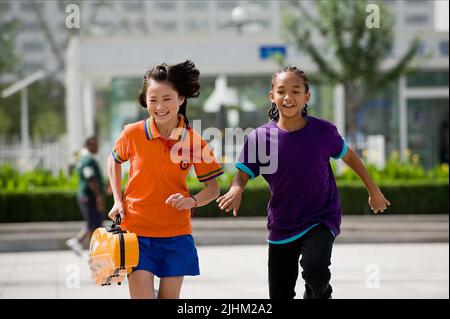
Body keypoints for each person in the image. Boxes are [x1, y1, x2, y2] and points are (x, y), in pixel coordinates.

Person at [217, 66, 390, 299]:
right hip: (282, 223)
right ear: (272, 96)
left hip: (320, 217)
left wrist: (374, 191)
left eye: (296, 91)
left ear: (307, 96)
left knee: (316, 273)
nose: (288, 97)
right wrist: (237, 188)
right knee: (279, 293)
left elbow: (349, 157)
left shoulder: (323, 132)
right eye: (281, 91)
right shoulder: (260, 137)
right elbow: (243, 172)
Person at [108, 60, 223, 299]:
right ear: (145, 101)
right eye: (153, 100)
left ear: (180, 99)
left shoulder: (193, 141)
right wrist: (117, 201)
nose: (160, 106)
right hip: (136, 233)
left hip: (176, 235)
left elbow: (213, 188)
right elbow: (114, 160)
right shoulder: (132, 133)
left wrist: (192, 201)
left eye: (167, 98)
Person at [66, 136, 105, 256]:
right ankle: (92, 251)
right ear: (89, 145)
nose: (98, 147)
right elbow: (90, 179)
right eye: (95, 145)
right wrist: (99, 197)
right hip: (89, 197)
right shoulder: (88, 160)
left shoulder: (84, 158)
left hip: (88, 197)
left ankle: (78, 242)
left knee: (94, 223)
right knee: (94, 224)